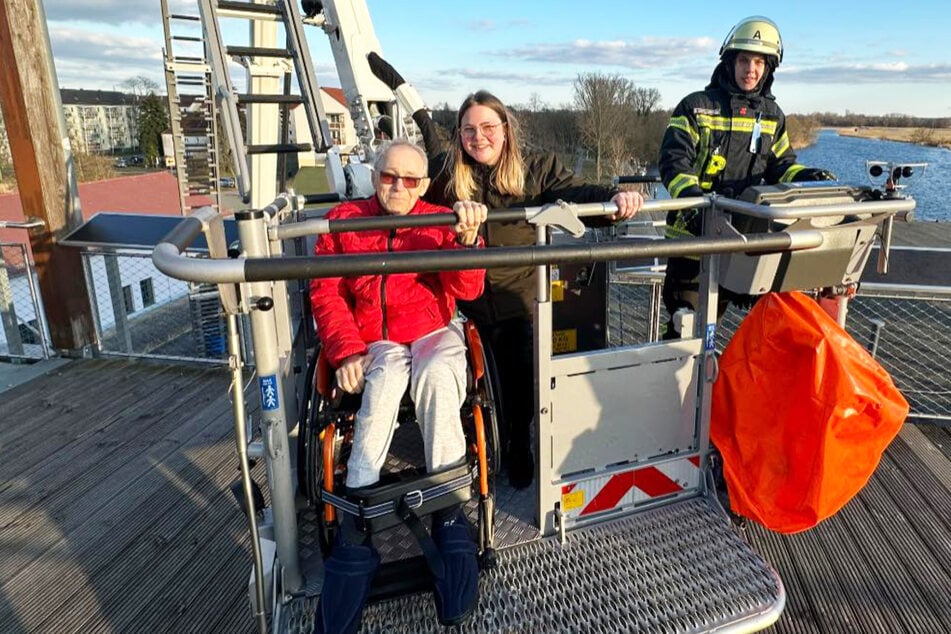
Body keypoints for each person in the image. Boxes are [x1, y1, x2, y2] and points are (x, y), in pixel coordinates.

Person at [309, 140, 488, 633]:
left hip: (432, 326)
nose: (399, 187)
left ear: (424, 185)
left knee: (438, 376)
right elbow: (325, 291)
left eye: (411, 180)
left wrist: (468, 241)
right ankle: (357, 514)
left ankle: (447, 507)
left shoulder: (440, 219)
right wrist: (344, 349)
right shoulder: (346, 222)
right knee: (383, 382)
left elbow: (469, 289)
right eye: (389, 176)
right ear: (374, 177)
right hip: (376, 336)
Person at [425, 90, 645, 489]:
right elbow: (411, 208)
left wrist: (612, 197)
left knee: (519, 378)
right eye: (469, 130)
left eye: (488, 127)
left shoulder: (536, 169)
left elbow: (575, 194)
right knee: (462, 378)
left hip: (518, 298)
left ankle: (516, 446)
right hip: (464, 303)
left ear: (505, 131)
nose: (479, 137)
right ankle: (470, 447)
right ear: (459, 135)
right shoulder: (447, 175)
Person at [658, 15, 836, 338]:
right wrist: (695, 207)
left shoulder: (772, 117)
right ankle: (673, 388)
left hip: (746, 247)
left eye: (758, 62)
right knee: (685, 337)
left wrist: (808, 177)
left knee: (772, 330)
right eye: (743, 60)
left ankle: (735, 386)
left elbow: (782, 166)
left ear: (768, 68)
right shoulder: (696, 107)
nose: (750, 69)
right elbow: (673, 163)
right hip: (693, 246)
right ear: (730, 62)